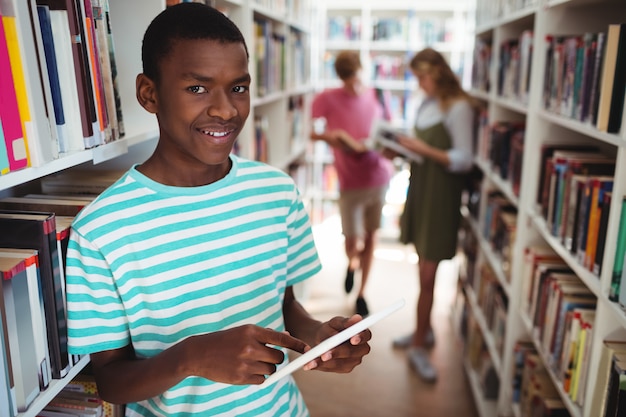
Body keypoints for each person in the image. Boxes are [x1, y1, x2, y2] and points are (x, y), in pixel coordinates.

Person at [64, 4, 372, 416]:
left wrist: (317, 337)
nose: (226, 110)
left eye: (238, 88)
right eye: (197, 88)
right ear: (149, 94)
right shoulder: (101, 230)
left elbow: (282, 306)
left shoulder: (276, 192)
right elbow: (111, 381)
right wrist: (192, 356)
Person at [389, 48, 474, 382]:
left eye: (421, 76)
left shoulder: (459, 107)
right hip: (422, 188)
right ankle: (421, 331)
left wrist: (421, 149)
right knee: (421, 269)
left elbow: (465, 159)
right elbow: (425, 151)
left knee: (428, 275)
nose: (419, 83)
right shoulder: (426, 104)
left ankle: (421, 346)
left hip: (441, 196)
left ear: (436, 72)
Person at [310, 51, 394, 317]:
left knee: (371, 236)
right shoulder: (327, 98)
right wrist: (330, 137)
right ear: (340, 78)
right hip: (349, 180)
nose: (354, 87)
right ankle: (351, 264)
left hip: (378, 176)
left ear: (363, 71)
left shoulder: (379, 95)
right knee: (351, 240)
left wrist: (381, 146)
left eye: (357, 79)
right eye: (348, 82)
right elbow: (310, 130)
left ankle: (362, 293)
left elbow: (389, 133)